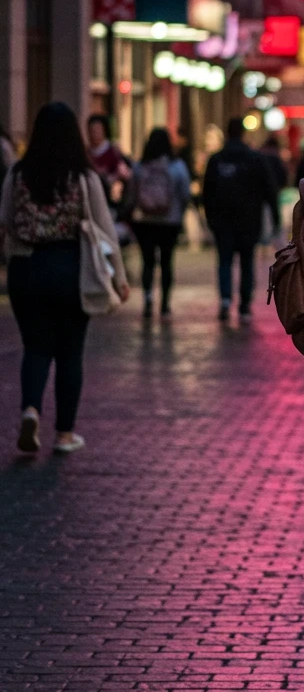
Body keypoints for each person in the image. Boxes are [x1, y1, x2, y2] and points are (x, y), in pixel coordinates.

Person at [0, 102, 129, 455]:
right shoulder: (84, 178)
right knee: (70, 353)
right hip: (71, 267)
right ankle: (64, 433)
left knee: (36, 347)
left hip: (26, 268)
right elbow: (105, 230)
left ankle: (30, 410)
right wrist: (119, 277)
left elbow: (5, 221)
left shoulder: (18, 173)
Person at [202, 117, 280, 324]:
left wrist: (210, 218)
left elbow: (207, 192)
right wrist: (276, 218)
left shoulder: (217, 160)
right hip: (249, 220)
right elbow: (270, 191)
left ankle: (226, 299)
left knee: (225, 260)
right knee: (247, 261)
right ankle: (245, 304)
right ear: (243, 133)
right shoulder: (255, 158)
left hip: (223, 221)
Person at [121, 128, 192, 320]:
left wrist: (128, 212)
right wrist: (180, 212)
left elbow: (132, 194)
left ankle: (148, 299)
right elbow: (185, 194)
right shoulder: (177, 166)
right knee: (167, 262)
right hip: (170, 221)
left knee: (148, 262)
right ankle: (165, 304)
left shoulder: (140, 166)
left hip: (145, 221)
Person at [86, 113, 131, 202]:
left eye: (98, 129)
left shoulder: (113, 152)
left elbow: (124, 175)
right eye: (91, 130)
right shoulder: (86, 153)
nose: (94, 133)